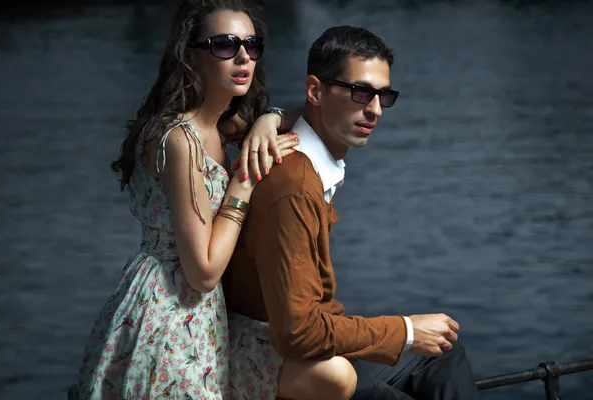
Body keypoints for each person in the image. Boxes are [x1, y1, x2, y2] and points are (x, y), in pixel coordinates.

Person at [77, 1, 356, 399]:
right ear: (191, 54)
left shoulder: (222, 122)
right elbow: (203, 272)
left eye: (252, 45)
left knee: (331, 373)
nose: (243, 56)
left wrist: (268, 119)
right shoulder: (180, 140)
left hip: (209, 312)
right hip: (170, 314)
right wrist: (242, 185)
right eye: (225, 45)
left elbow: (310, 115)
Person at [223, 25, 481, 400]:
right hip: (289, 366)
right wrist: (407, 331)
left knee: (444, 352)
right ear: (315, 91)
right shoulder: (293, 187)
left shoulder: (306, 161)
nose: (375, 110)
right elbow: (297, 333)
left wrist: (272, 115)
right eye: (361, 93)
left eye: (383, 96)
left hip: (314, 350)